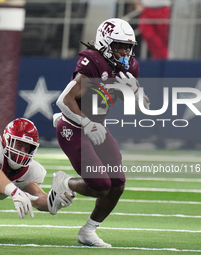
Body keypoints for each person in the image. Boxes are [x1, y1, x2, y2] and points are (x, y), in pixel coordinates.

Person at [48, 18, 150, 247]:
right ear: (105, 43)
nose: (125, 51)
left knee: (118, 184)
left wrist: (135, 93)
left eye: (128, 46)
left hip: (98, 128)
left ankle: (88, 231)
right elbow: (64, 101)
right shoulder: (93, 62)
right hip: (73, 128)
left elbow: (143, 105)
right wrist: (87, 124)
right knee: (100, 185)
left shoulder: (129, 66)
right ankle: (65, 183)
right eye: (119, 46)